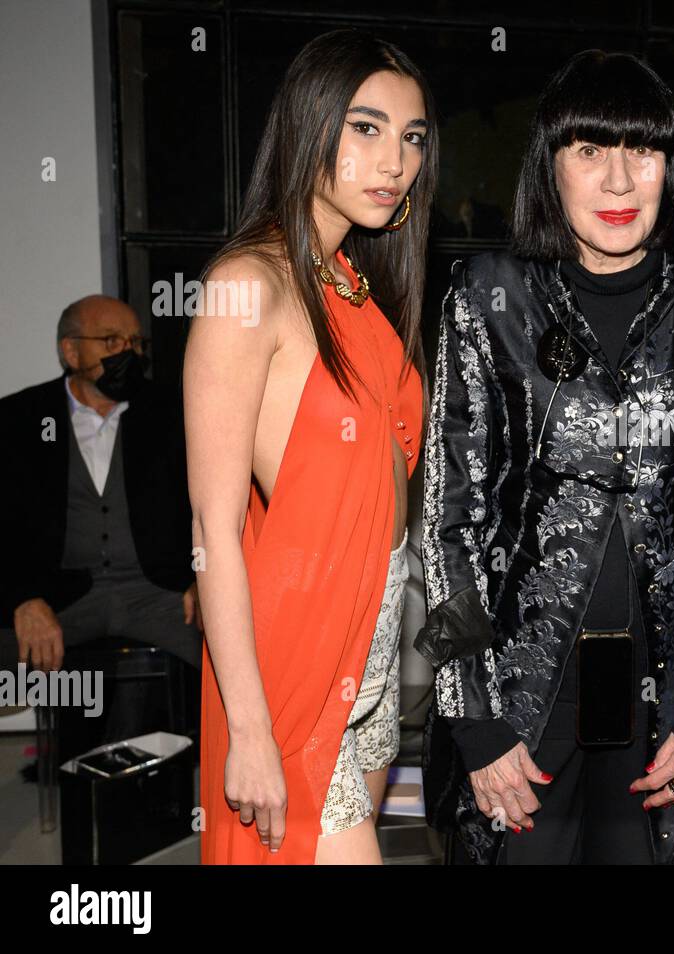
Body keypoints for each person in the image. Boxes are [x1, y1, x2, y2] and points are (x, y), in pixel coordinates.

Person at [418, 49, 674, 864]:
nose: (619, 182)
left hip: (668, 702)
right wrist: (472, 717)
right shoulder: (486, 294)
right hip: (521, 696)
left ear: (669, 165)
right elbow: (447, 524)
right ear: (550, 167)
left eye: (642, 151)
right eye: (588, 151)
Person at [185, 29, 434, 864]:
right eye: (365, 128)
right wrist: (249, 730)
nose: (393, 160)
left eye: (411, 137)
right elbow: (214, 533)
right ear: (308, 126)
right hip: (295, 657)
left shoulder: (352, 283)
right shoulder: (243, 288)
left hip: (370, 648)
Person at [0, 295, 199, 676]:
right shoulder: (17, 420)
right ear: (71, 352)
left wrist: (203, 580)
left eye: (136, 343)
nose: (129, 352)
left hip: (160, 594)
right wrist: (23, 598)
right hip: (61, 596)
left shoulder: (173, 414)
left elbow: (208, 508)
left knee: (239, 651)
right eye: (111, 341)